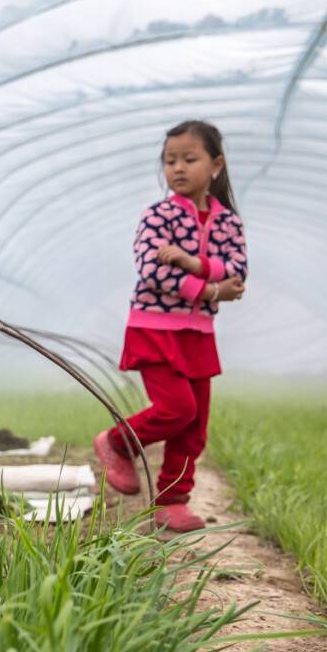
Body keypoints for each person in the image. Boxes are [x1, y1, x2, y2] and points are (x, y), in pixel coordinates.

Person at [94, 120, 248, 532]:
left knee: (195, 428)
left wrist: (193, 263)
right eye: (169, 161)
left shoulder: (228, 222)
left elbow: (237, 271)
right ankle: (116, 442)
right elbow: (150, 272)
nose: (177, 168)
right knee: (177, 409)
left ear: (216, 164)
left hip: (197, 335)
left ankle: (172, 501)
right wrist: (211, 290)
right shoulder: (158, 216)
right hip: (154, 329)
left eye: (189, 159)